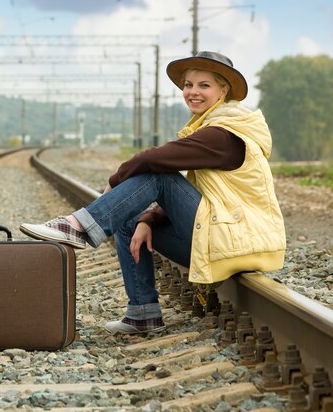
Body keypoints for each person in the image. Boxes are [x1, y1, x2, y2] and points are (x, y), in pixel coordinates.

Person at [20, 51, 285, 335]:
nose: (192, 92)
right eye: (188, 84)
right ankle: (142, 314)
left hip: (237, 240)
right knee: (129, 220)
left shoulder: (224, 135)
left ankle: (80, 226)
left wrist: (116, 180)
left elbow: (154, 159)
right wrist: (148, 219)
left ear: (224, 91)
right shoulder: (216, 129)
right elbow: (207, 195)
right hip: (228, 237)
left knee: (159, 173)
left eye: (203, 85)